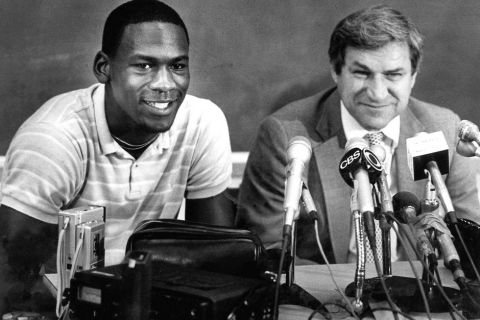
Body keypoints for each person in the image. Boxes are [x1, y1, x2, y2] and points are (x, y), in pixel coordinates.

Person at [0, 0, 233, 314]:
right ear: (103, 68)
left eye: (177, 65)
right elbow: (15, 282)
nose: (165, 84)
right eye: (144, 65)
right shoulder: (54, 138)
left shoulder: (202, 122)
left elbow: (216, 257)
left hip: (145, 303)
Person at [236, 5, 480, 265]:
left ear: (413, 76)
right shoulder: (283, 135)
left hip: (420, 297)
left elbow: (471, 238)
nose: (377, 93)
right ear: (336, 71)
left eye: (393, 75)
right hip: (327, 299)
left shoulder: (443, 128)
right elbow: (268, 250)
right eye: (362, 73)